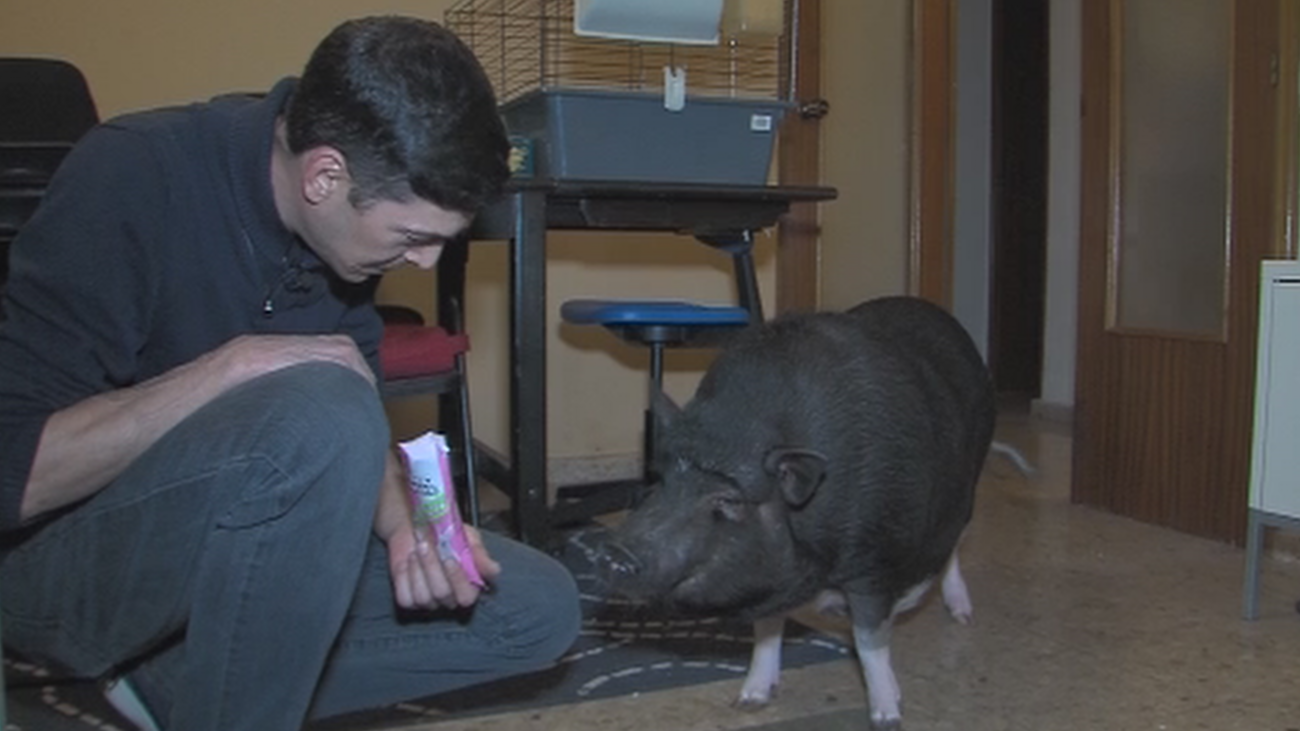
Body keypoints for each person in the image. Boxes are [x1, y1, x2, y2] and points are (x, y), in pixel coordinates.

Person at [0, 16, 580, 730]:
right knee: (319, 411)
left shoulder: (340, 234)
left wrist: (410, 525)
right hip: (63, 570)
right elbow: (16, 477)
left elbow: (361, 415)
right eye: (413, 237)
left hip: (232, 557)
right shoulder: (130, 174)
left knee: (535, 609)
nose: (424, 264)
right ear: (324, 175)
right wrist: (231, 367)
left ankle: (179, 677)